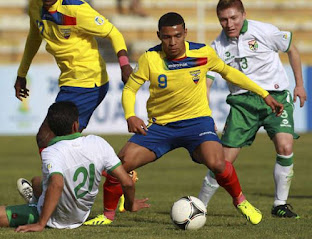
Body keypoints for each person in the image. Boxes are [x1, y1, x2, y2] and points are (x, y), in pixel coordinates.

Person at [86, 12, 286, 226]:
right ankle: (107, 216)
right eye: (166, 37)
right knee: (119, 165)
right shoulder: (150, 58)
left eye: (177, 36)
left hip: (197, 123)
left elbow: (230, 73)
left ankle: (240, 201)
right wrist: (130, 115)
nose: (172, 42)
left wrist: (264, 94)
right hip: (161, 126)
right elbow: (130, 89)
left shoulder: (202, 53)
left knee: (218, 162)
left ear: (185, 34)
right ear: (159, 36)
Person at [198, 0, 307, 219]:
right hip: (242, 104)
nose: (229, 23)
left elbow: (292, 49)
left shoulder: (264, 31)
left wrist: (299, 84)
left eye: (234, 18)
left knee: (285, 146)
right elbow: (206, 82)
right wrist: (204, 113)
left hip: (275, 98)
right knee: (223, 161)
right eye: (223, 19)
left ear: (243, 15)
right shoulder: (216, 47)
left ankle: (280, 204)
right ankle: (199, 206)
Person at [0, 102, 149, 232]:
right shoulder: (98, 142)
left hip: (55, 219)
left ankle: (35, 205)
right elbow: (127, 182)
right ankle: (35, 198)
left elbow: (57, 184)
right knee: (37, 181)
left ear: (51, 129)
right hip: (80, 216)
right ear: (76, 125)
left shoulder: (51, 152)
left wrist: (41, 223)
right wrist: (130, 204)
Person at [14, 0, 132, 151]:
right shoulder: (34, 6)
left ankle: (109, 171)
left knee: (46, 137)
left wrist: (124, 65)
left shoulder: (75, 9)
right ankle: (113, 173)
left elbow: (114, 33)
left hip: (88, 82)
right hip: (70, 82)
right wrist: (21, 74)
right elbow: (34, 36)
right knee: (65, 145)